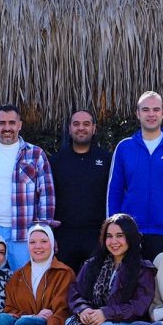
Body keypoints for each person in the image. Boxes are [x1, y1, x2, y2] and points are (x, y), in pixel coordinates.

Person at [0, 104, 56, 271]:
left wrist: (41, 230)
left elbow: (46, 195)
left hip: (24, 232)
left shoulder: (35, 154)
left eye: (12, 123)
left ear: (19, 125)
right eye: (2, 123)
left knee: (26, 281)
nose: (7, 128)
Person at [106, 91, 163, 259]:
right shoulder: (124, 147)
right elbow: (114, 191)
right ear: (138, 114)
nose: (151, 114)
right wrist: (113, 230)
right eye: (145, 110)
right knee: (129, 276)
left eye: (156, 109)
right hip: (130, 232)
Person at [51, 109, 113, 271]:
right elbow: (48, 198)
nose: (81, 128)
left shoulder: (106, 159)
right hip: (64, 236)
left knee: (95, 282)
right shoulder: (56, 161)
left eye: (86, 124)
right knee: (65, 283)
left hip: (96, 235)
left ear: (94, 128)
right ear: (69, 128)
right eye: (76, 124)